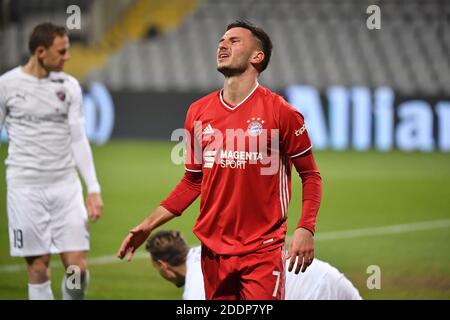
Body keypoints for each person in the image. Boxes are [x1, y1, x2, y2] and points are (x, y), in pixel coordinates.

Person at [118, 20, 322, 300]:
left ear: (257, 56)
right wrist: (148, 224)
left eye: (234, 41)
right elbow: (192, 180)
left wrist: (305, 228)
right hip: (213, 251)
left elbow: (310, 176)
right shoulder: (198, 112)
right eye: (222, 40)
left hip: (262, 249)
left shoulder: (281, 113)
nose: (222, 44)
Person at [0, 22, 103, 300]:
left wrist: (92, 187)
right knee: (38, 268)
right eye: (62, 51)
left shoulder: (69, 86)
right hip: (25, 189)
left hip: (65, 188)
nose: (67, 57)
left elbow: (78, 139)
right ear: (41, 52)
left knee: (77, 269)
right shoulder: (7, 85)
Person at [146, 230, 362, 300]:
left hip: (316, 291)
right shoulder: (209, 251)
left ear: (163, 265)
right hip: (326, 278)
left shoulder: (198, 287)